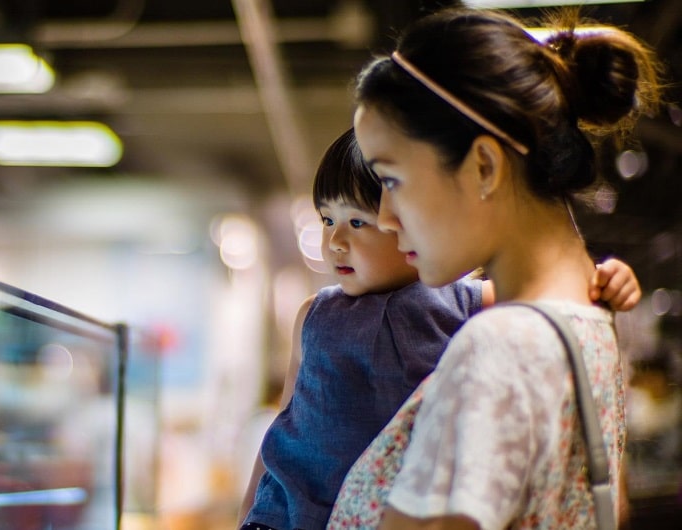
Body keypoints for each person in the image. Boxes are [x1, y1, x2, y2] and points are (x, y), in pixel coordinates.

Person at [326, 7, 663, 530]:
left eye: (391, 181)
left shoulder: (501, 347)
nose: (387, 218)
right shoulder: (590, 326)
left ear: (483, 165)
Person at [238, 125, 642, 530]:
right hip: (285, 517)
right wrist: (248, 510)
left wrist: (611, 278)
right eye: (327, 219)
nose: (336, 241)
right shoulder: (314, 314)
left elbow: (556, 289)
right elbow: (286, 422)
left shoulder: (466, 300)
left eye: (358, 223)